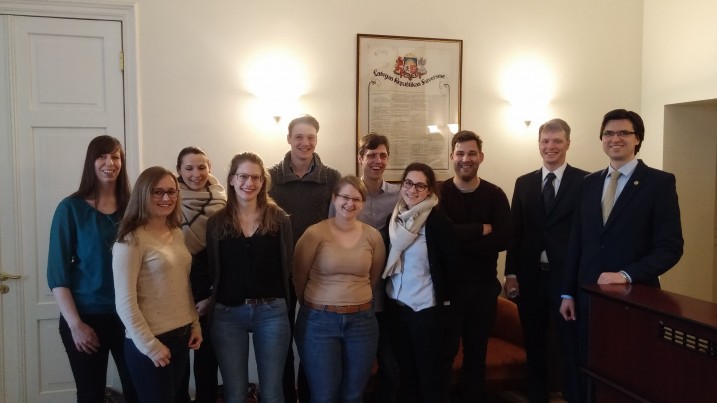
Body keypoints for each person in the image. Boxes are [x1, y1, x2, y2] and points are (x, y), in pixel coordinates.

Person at [559, 109, 684, 401]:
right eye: (609, 133)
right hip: (587, 297)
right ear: (602, 139)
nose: (615, 139)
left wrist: (627, 274)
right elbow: (577, 241)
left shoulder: (658, 183)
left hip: (634, 299)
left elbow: (671, 246)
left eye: (624, 133)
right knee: (588, 370)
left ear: (637, 139)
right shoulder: (588, 183)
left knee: (627, 374)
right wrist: (567, 292)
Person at [47, 135, 139, 403]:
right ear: (91, 162)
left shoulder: (134, 209)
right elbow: (57, 273)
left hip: (130, 318)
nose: (109, 163)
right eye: (102, 156)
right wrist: (76, 325)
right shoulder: (70, 209)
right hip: (86, 317)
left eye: (115, 157)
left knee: (139, 391)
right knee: (90, 394)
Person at [504, 119, 587, 403]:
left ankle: (573, 395)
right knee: (534, 341)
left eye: (557, 141)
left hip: (567, 278)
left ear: (567, 144)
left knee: (570, 343)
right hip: (531, 277)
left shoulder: (585, 182)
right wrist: (511, 273)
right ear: (538, 143)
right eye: (545, 141)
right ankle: (537, 396)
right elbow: (515, 231)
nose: (550, 147)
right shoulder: (524, 182)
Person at [206, 152, 293, 403]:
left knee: (273, 391)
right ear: (232, 179)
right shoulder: (216, 222)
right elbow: (214, 268)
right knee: (234, 392)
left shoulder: (279, 218)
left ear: (263, 182)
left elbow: (286, 266)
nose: (249, 183)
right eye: (243, 176)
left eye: (256, 177)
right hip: (227, 315)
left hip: (271, 313)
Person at [268, 114, 341, 403]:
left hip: (318, 271)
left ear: (316, 140)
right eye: (299, 137)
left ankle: (309, 395)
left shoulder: (331, 177)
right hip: (280, 269)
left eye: (310, 137)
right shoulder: (270, 176)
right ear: (288, 139)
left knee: (314, 339)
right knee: (282, 339)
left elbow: (337, 222)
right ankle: (286, 396)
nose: (305, 142)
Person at [113, 166, 202, 403]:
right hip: (150, 341)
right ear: (143, 194)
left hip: (181, 336)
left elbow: (183, 285)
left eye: (171, 192)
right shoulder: (130, 240)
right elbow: (124, 302)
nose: (166, 198)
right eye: (158, 192)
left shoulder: (176, 232)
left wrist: (194, 324)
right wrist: (150, 346)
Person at [293, 176, 386, 403]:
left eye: (357, 199)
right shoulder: (314, 233)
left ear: (363, 203)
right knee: (324, 396)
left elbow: (373, 277)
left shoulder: (373, 236)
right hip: (318, 322)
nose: (350, 203)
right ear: (334, 199)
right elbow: (299, 278)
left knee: (354, 395)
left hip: (362, 322)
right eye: (345, 197)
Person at [438, 130, 511, 402]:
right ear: (451, 157)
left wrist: (459, 238)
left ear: (481, 156)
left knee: (476, 354)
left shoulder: (495, 194)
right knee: (444, 354)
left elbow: (503, 238)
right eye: (459, 153)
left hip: (483, 290)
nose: (465, 159)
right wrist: (482, 229)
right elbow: (441, 239)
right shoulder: (440, 193)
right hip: (447, 290)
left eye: (471, 153)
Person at [329, 134, 400, 403]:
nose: (377, 161)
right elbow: (330, 239)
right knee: (345, 371)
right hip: (348, 298)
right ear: (360, 158)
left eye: (382, 155)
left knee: (390, 367)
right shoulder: (344, 195)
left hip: (385, 294)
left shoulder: (398, 196)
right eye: (371, 155)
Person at [383, 163, 458, 403]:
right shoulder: (393, 220)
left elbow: (452, 269)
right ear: (401, 184)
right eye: (408, 183)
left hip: (426, 312)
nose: (412, 190)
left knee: (430, 378)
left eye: (420, 185)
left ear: (429, 190)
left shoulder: (438, 222)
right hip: (396, 309)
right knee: (406, 376)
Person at [176, 146, 227, 403]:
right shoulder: (165, 200)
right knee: (177, 365)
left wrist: (212, 296)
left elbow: (229, 256)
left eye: (201, 167)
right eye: (189, 168)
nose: (196, 174)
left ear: (210, 169)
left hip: (209, 291)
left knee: (208, 362)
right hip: (174, 292)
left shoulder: (224, 202)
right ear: (178, 171)